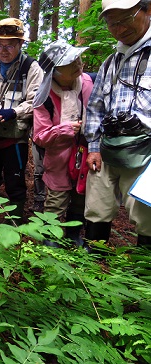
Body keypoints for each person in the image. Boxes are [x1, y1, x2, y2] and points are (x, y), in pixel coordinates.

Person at [84, 0, 151, 248]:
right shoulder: (111, 62)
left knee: (146, 216)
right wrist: (92, 145)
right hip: (106, 148)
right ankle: (91, 267)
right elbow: (95, 106)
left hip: (145, 151)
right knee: (96, 207)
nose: (119, 29)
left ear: (147, 10)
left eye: (126, 19)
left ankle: (142, 280)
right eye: (112, 23)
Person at [0, 18, 44, 226]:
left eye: (9, 45)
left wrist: (14, 111)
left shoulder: (31, 68)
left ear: (20, 44)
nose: (3, 50)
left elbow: (36, 101)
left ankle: (15, 220)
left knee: (15, 182)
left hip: (14, 139)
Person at [32, 40, 93, 247]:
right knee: (57, 200)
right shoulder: (44, 98)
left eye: (78, 58)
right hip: (58, 159)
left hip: (84, 154)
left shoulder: (86, 83)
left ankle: (74, 235)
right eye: (71, 62)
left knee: (79, 195)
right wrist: (64, 129)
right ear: (55, 73)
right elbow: (39, 136)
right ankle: (51, 240)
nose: (78, 64)